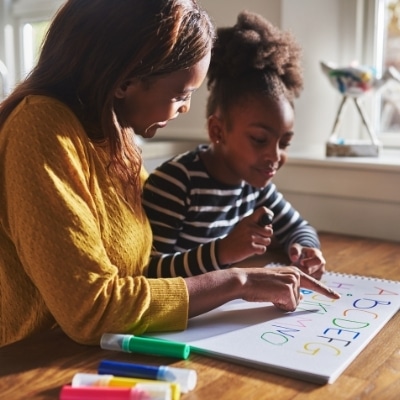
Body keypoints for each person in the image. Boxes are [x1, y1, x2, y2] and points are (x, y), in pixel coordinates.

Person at [0, 0, 339, 348]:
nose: (187, 107)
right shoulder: (40, 129)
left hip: (86, 352)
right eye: (181, 93)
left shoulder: (115, 135)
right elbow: (91, 310)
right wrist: (239, 282)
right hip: (22, 362)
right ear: (124, 81)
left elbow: (143, 260)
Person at [143, 10, 326, 279]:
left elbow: (300, 227)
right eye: (259, 140)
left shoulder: (255, 188)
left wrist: (305, 248)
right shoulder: (175, 184)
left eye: (284, 143)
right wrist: (222, 253)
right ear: (218, 130)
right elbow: (150, 272)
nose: (274, 155)